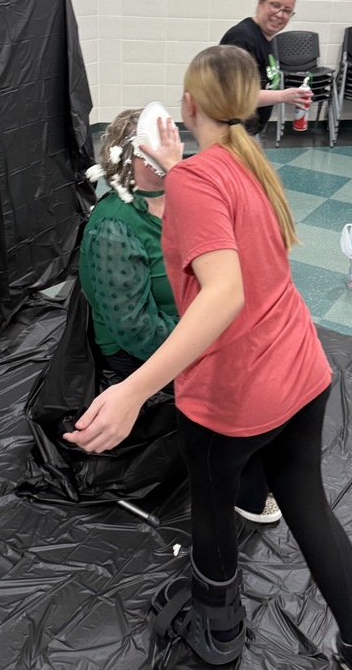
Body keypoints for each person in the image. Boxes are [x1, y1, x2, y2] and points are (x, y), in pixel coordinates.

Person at [64, 48, 352, 670]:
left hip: (236, 393)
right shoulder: (246, 162)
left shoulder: (192, 183)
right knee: (310, 506)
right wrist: (173, 167)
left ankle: (217, 623)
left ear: (190, 108)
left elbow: (223, 296)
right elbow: (206, 197)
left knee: (211, 513)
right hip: (302, 371)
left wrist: (131, 391)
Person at [79, 107, 281, 523]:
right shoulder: (114, 227)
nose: (165, 155)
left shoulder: (181, 194)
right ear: (125, 158)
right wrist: (211, 341)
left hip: (192, 326)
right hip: (144, 349)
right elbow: (135, 330)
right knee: (249, 382)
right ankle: (246, 492)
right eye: (148, 150)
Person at [220, 0, 313, 134]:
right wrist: (283, 96)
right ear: (261, 3)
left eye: (287, 10)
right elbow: (238, 95)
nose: (280, 14)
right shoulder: (242, 38)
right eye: (275, 5)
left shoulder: (267, 37)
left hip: (248, 132)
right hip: (230, 133)